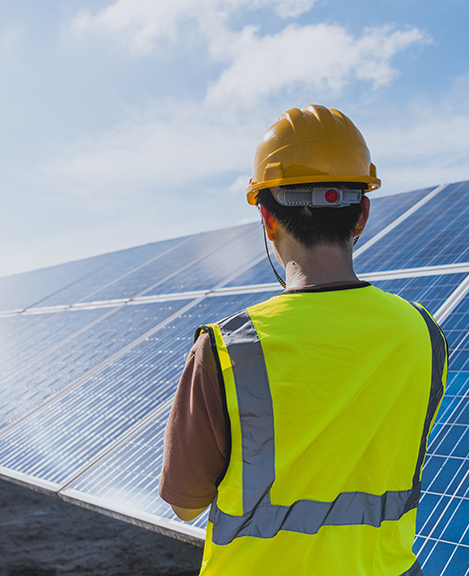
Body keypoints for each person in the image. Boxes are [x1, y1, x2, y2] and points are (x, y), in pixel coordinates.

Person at [159, 105, 448, 575]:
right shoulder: (424, 335)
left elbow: (185, 505)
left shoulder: (227, 349)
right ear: (362, 214)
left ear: (267, 219)